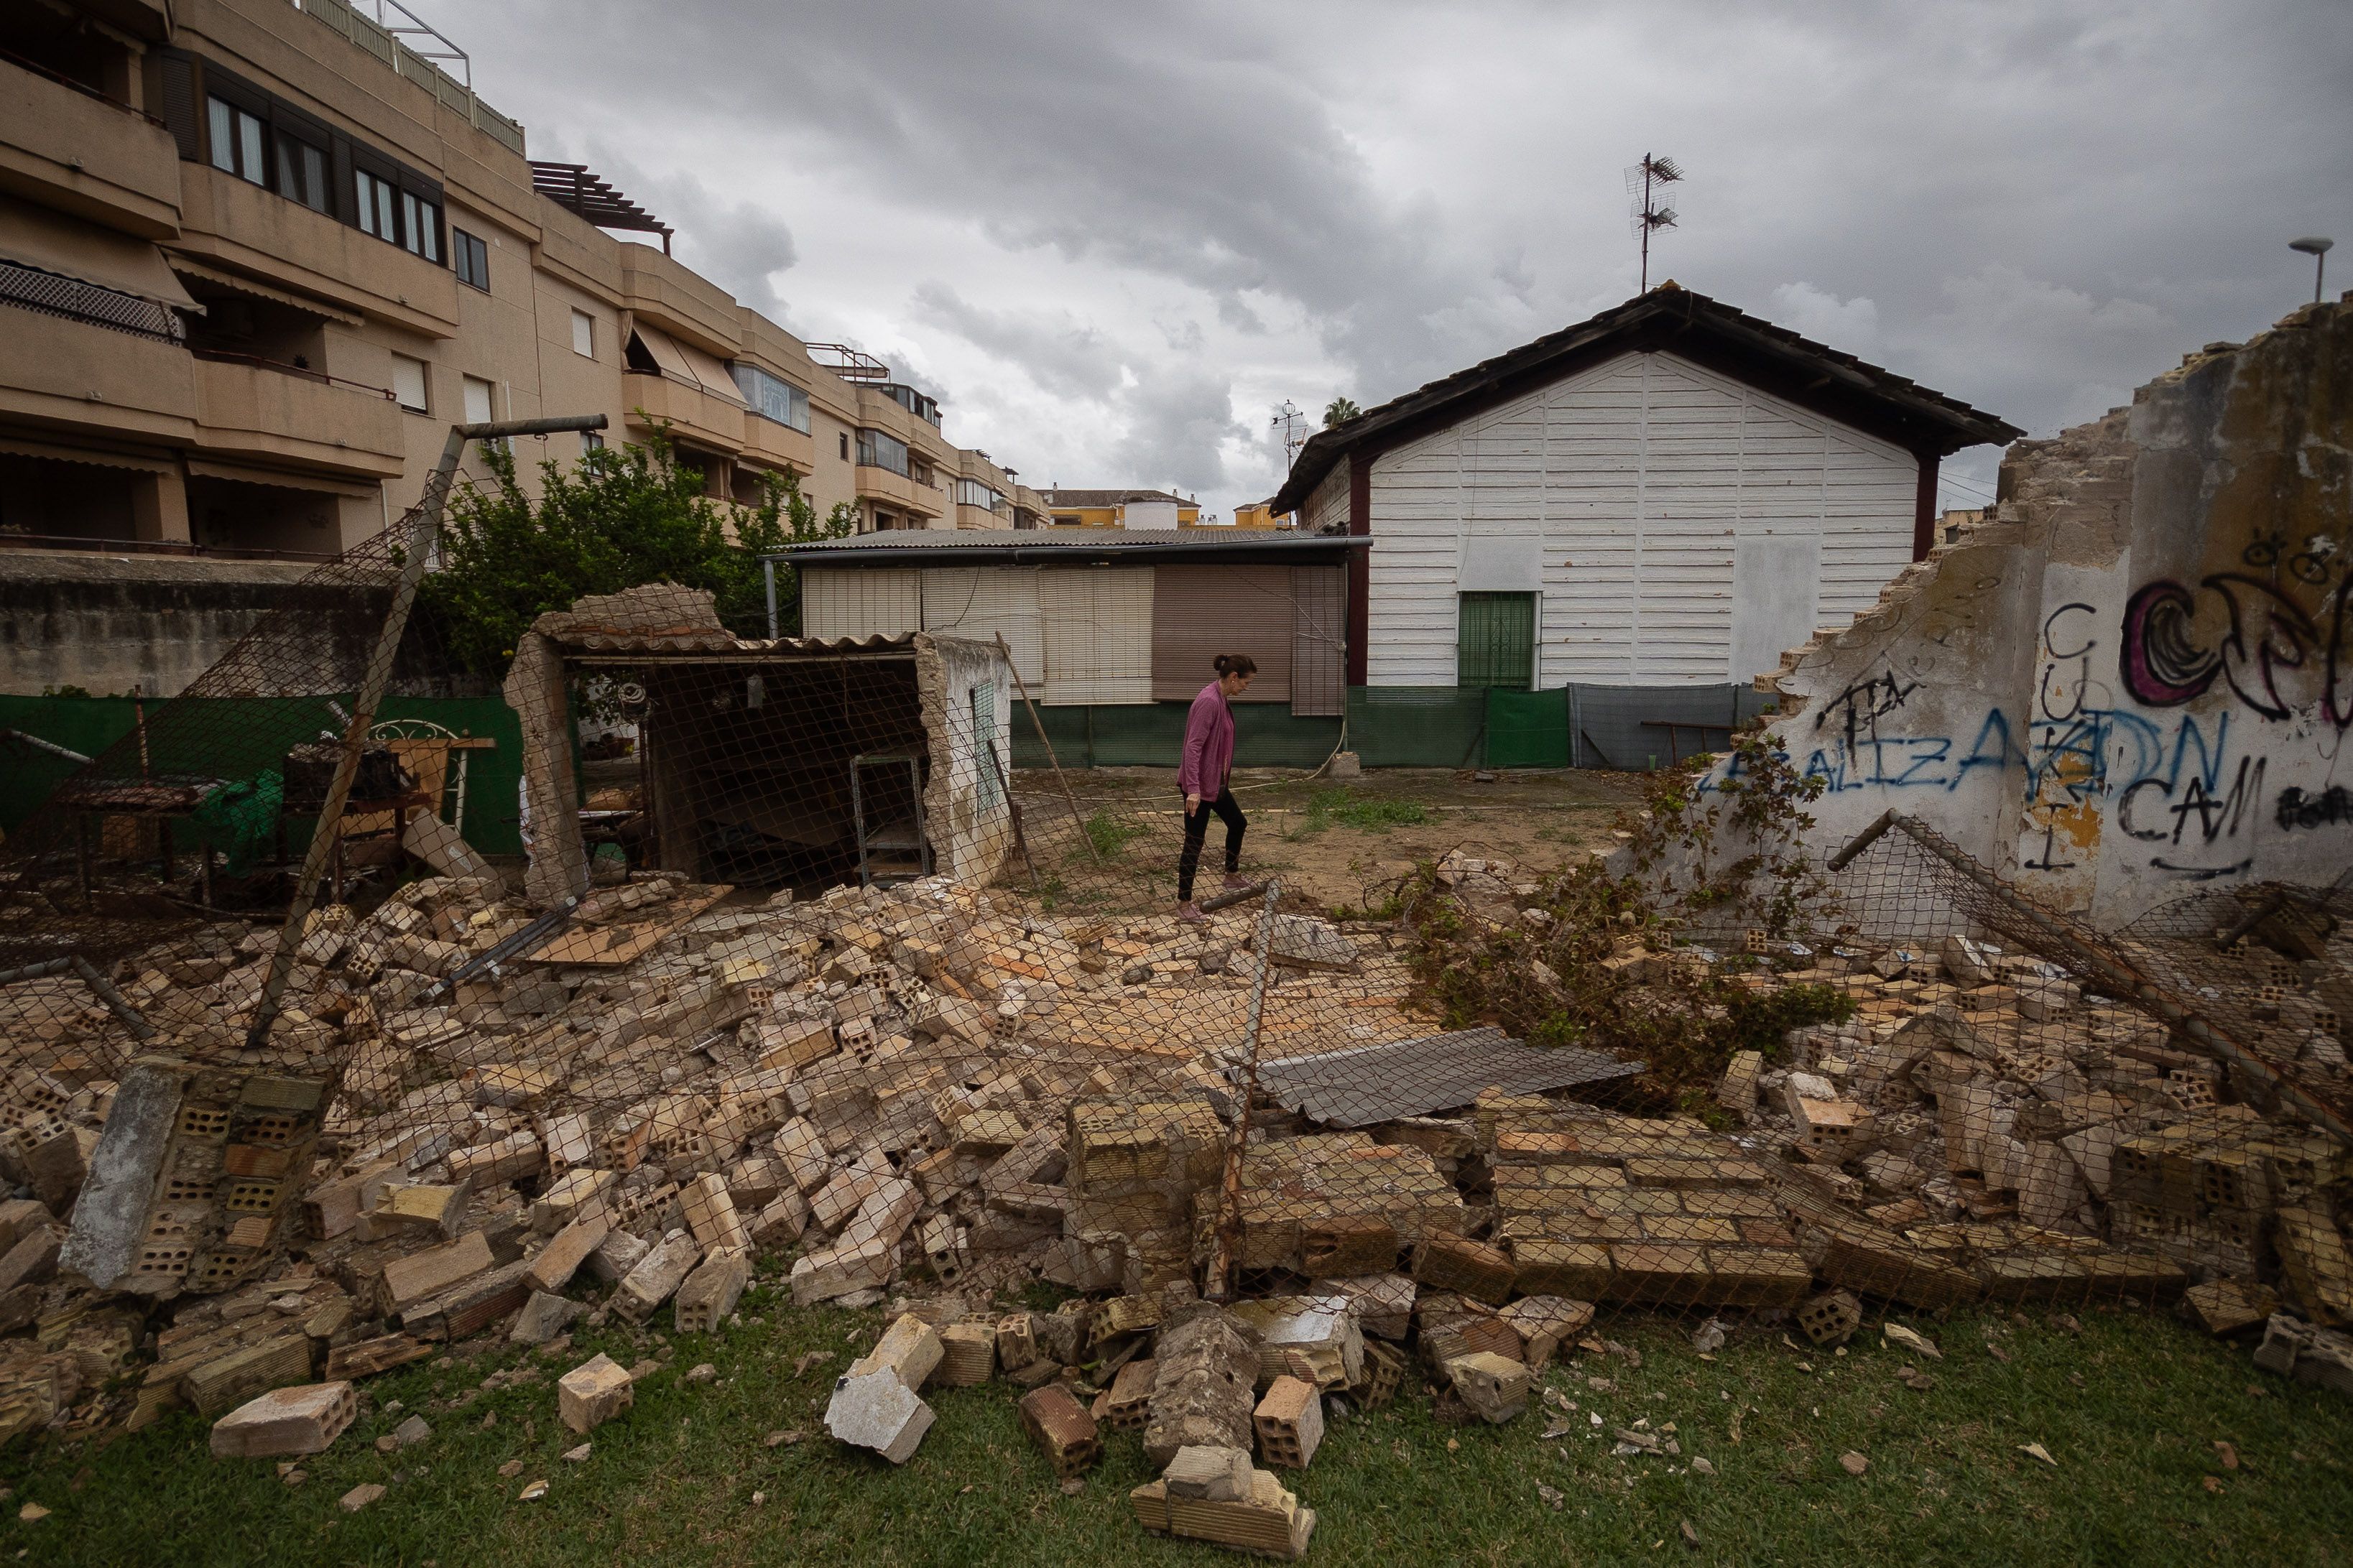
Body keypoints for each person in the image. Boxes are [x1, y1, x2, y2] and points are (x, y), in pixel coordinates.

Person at [1176, 652, 1255, 922]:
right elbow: (1193, 746)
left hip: (1215, 784)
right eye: (1245, 683)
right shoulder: (1209, 701)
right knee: (1194, 843)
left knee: (1238, 823)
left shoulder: (1220, 698)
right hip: (1198, 787)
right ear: (1234, 677)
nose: (1246, 688)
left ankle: (1231, 876)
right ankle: (1184, 905)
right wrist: (1194, 789)